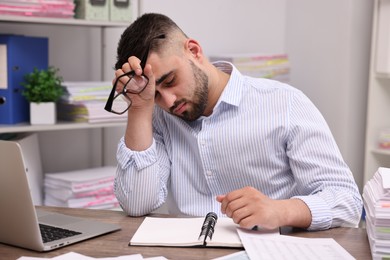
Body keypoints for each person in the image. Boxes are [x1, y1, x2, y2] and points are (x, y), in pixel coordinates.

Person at [107, 13, 363, 231]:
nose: (169, 101)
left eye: (170, 80)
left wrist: (281, 210)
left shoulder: (285, 103)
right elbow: (137, 205)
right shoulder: (159, 117)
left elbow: (348, 201)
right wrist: (140, 108)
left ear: (194, 51)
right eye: (157, 93)